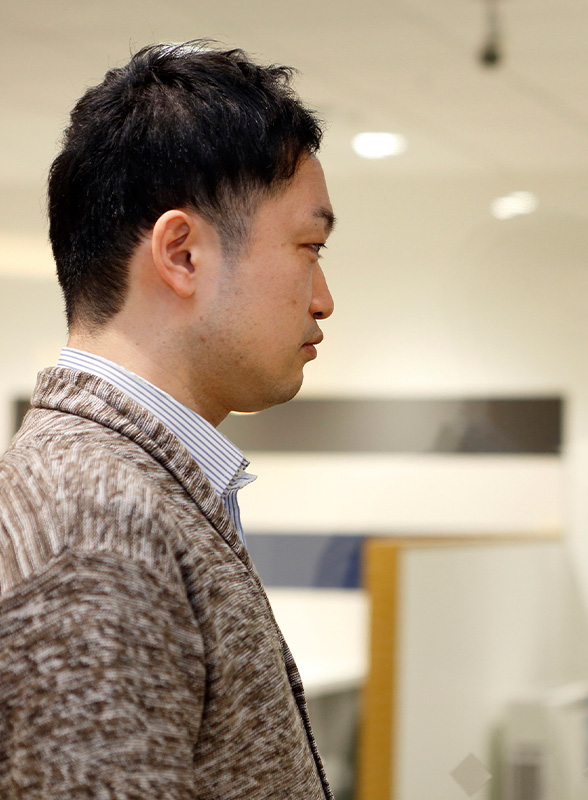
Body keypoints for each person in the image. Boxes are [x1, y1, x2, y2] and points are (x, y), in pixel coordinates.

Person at [0, 42, 336, 798]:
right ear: (181, 254)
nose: (323, 299)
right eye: (308, 248)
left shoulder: (131, 489)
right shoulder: (96, 522)